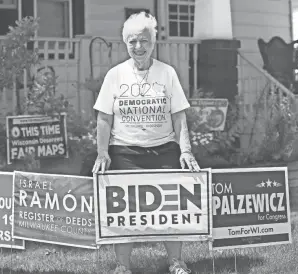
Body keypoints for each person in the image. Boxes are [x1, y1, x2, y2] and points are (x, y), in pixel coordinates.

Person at [92, 11, 200, 274]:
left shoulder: (167, 73)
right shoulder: (115, 75)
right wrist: (102, 152)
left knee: (172, 209)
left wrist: (185, 150)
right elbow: (104, 118)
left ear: (153, 42)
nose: (138, 47)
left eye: (144, 40)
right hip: (125, 151)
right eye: (132, 41)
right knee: (124, 210)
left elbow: (178, 115)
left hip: (164, 150)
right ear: (125, 43)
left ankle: (176, 262)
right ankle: (122, 266)